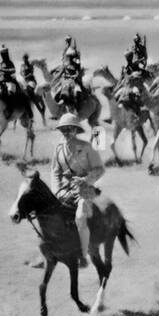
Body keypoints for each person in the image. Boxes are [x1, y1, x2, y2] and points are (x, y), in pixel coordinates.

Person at [51, 114, 105, 268]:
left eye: (69, 129)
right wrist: (56, 192)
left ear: (76, 130)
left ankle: (82, 255)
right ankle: (49, 253)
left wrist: (86, 180)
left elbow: (100, 169)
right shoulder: (58, 148)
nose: (66, 133)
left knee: (81, 216)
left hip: (86, 190)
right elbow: (55, 172)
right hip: (64, 191)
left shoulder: (87, 147)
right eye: (63, 130)